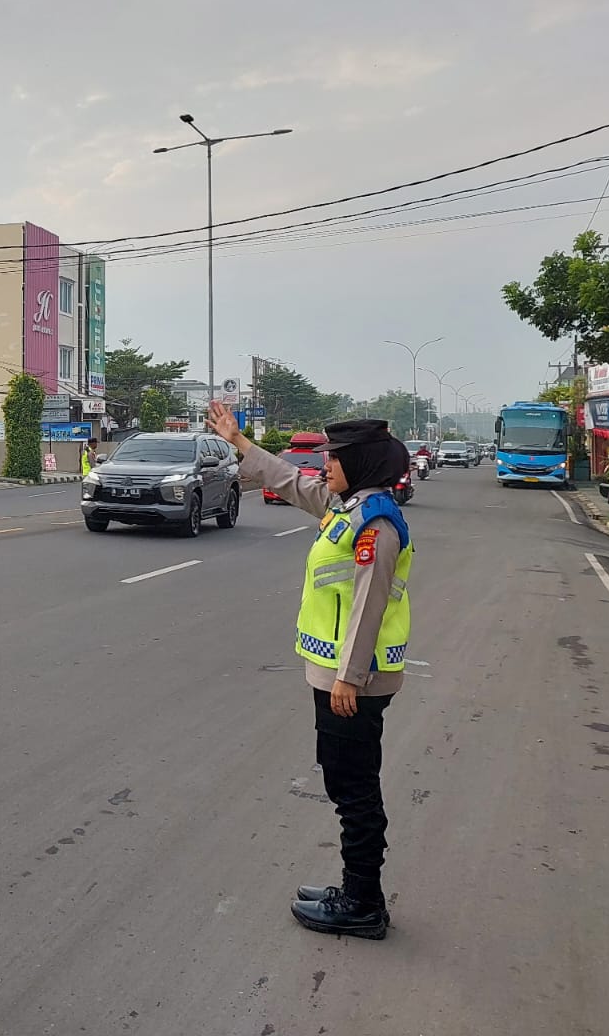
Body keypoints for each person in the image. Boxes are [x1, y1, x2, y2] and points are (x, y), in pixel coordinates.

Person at [208, 400, 414, 940]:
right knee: (346, 781)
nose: (326, 465)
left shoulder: (375, 523)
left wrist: (350, 676)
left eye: (335, 458)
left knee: (355, 789)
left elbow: (369, 603)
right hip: (342, 677)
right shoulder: (352, 508)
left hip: (354, 682)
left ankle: (363, 902)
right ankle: (355, 887)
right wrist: (238, 441)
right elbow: (292, 482)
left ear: (361, 463)